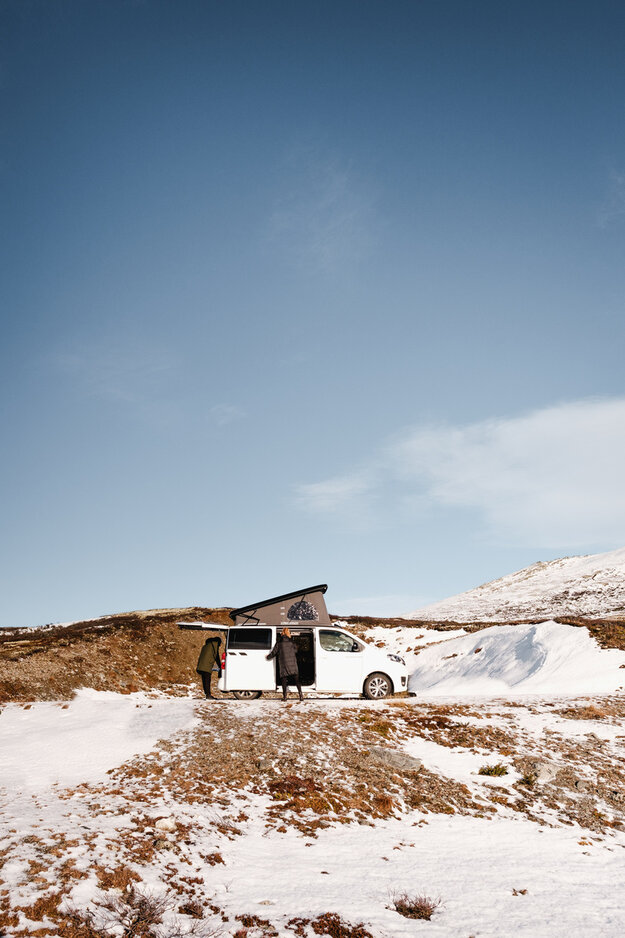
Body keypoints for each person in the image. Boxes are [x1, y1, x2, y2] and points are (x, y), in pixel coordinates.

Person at [266, 627, 303, 701]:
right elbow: (296, 651)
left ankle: (285, 697)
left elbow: (274, 652)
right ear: (288, 633)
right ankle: (301, 696)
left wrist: (268, 657)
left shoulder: (279, 642)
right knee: (297, 680)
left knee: (284, 680)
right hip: (292, 663)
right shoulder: (292, 642)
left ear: (282, 633)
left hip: (284, 663)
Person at [196, 635, 222, 699]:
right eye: (220, 644)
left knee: (204, 680)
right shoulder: (214, 646)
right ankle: (208, 695)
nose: (219, 646)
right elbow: (217, 657)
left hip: (201, 665)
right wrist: (220, 666)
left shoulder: (207, 645)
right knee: (207, 680)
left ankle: (207, 694)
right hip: (206, 666)